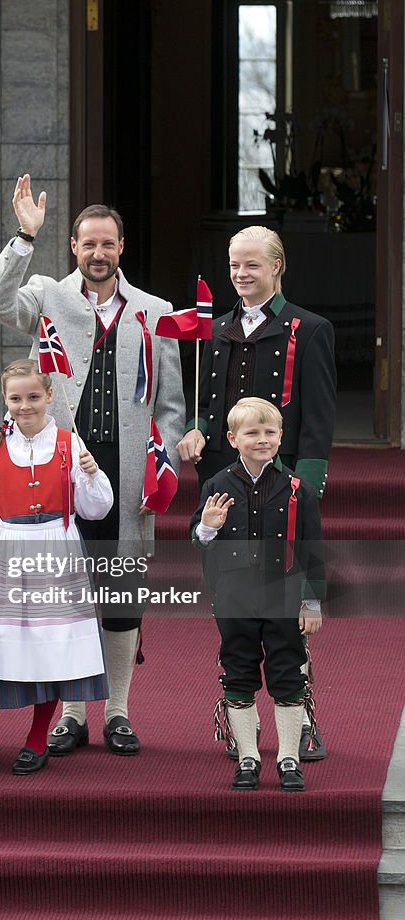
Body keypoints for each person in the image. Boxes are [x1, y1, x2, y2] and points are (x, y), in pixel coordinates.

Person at [0, 175, 185, 756]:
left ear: (122, 248)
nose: (99, 253)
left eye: (108, 244)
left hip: (125, 476)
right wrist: (24, 237)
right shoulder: (48, 295)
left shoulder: (154, 312)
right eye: (88, 243)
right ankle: (71, 714)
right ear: (74, 247)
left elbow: (170, 404)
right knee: (66, 597)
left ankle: (117, 712)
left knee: (121, 600)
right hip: (60, 473)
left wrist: (160, 466)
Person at [177, 224, 335, 760]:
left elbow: (317, 419)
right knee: (238, 610)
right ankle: (241, 720)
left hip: (282, 488)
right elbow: (207, 400)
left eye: (253, 265)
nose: (242, 275)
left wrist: (305, 490)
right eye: (234, 266)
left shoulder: (309, 329)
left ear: (277, 267)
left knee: (289, 608)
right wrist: (197, 426)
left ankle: (300, 716)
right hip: (227, 486)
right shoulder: (215, 330)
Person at [0, 360, 113, 775]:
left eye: (33, 396)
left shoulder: (71, 445)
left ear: (50, 396)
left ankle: (37, 740)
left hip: (58, 548)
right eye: (15, 398)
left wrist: (91, 475)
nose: (24, 406)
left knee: (49, 648)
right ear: (6, 400)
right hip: (9, 551)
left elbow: (95, 508)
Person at [190, 397, 325, 792]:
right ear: (233, 438)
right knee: (239, 672)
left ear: (281, 436)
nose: (262, 439)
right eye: (252, 433)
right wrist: (207, 527)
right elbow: (198, 540)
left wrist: (312, 601)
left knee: (286, 673)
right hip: (234, 597)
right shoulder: (217, 485)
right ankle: (248, 757)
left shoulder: (298, 488)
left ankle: (288, 759)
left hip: (283, 596)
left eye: (270, 432)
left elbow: (312, 547)